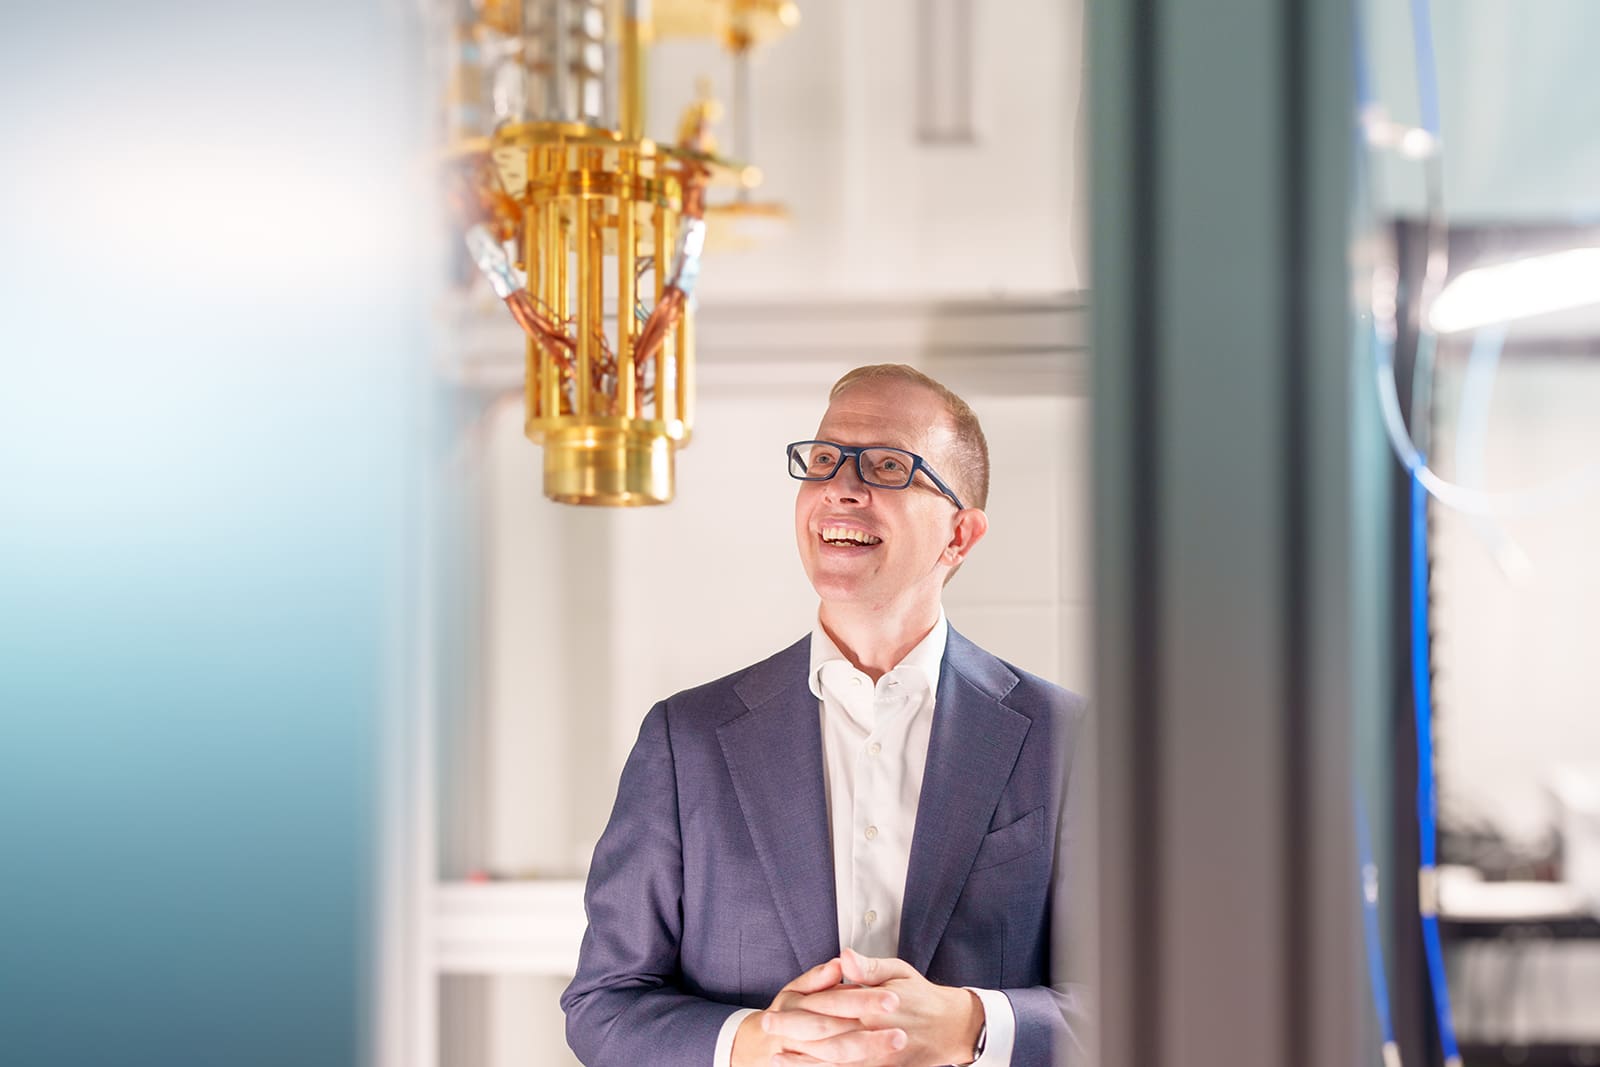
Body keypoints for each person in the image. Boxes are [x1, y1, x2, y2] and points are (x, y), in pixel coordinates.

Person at [561, 365, 1089, 1067]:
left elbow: (1152, 999)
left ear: (959, 535)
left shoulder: (1069, 740)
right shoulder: (685, 739)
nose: (843, 485)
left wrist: (971, 1024)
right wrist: (753, 1043)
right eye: (823, 459)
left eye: (889, 466)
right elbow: (604, 1002)